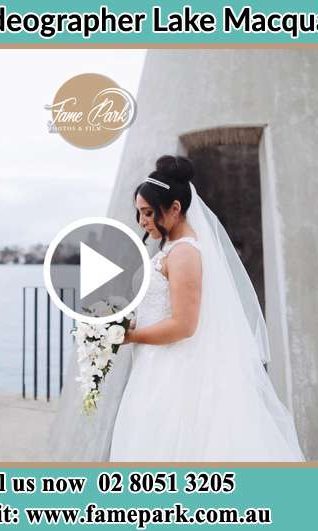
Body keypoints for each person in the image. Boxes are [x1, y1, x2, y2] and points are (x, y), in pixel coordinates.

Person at [107, 155, 304, 461]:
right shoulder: (171, 249)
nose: (142, 221)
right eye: (139, 213)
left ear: (174, 209)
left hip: (175, 372)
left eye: (148, 212)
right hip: (154, 365)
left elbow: (184, 325)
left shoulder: (184, 253)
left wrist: (130, 337)